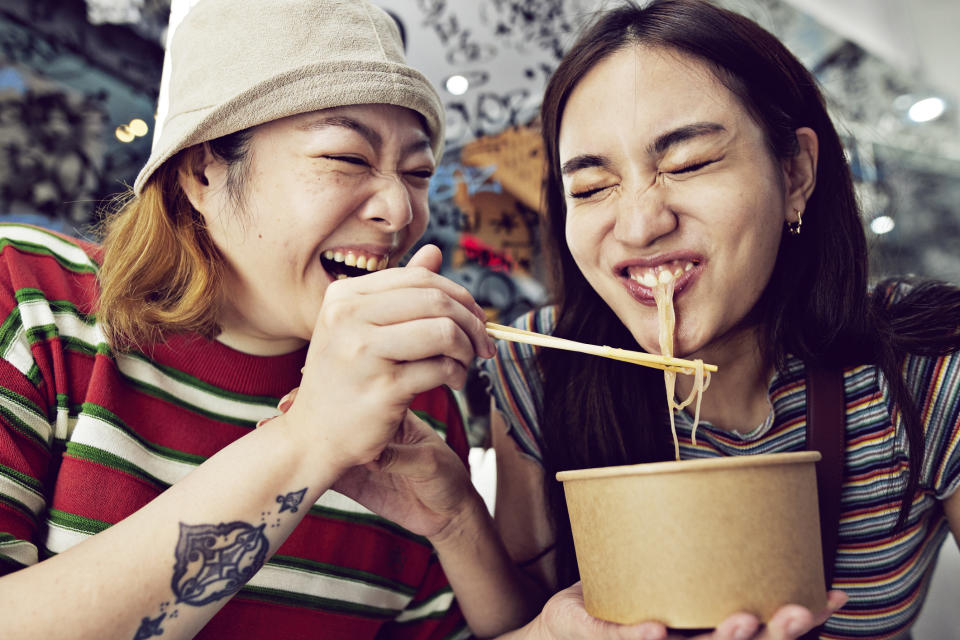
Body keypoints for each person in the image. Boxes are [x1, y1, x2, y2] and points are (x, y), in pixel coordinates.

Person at [0, 0, 553, 637]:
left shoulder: (414, 403)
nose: (400, 210)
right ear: (204, 171)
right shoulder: (31, 298)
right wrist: (308, 440)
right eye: (347, 157)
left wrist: (459, 522)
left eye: (419, 171)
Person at [483, 1, 960, 639]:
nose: (639, 225)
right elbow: (515, 624)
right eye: (593, 187)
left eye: (687, 164)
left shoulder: (924, 369)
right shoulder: (540, 365)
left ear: (795, 173)